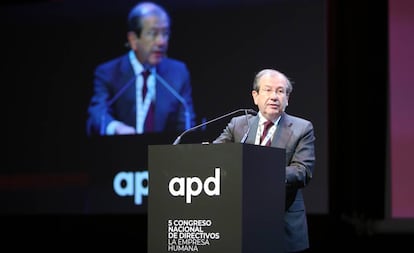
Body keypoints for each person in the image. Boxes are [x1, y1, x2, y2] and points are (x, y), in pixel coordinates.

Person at [213, 68, 315, 253]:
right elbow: (214, 156)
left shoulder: (302, 128)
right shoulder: (238, 125)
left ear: (287, 99)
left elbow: (303, 171)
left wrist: (264, 175)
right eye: (268, 90)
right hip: (239, 222)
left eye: (280, 91)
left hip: (283, 222)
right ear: (255, 96)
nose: (274, 96)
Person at [86, 1, 196, 136]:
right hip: (120, 151)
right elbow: (98, 114)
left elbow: (185, 123)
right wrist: (116, 127)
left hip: (161, 153)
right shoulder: (108, 73)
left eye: (165, 33)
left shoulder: (178, 72)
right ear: (133, 40)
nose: (161, 41)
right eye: (153, 33)